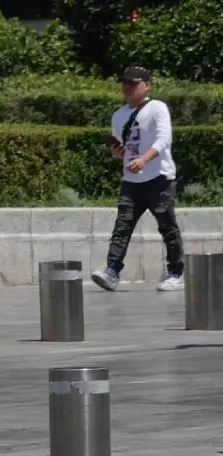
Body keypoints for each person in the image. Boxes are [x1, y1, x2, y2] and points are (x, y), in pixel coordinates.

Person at [91, 66, 184, 293]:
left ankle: (176, 272)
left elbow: (164, 140)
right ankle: (112, 270)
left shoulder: (157, 108)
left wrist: (144, 160)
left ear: (146, 85)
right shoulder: (119, 115)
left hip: (159, 177)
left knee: (167, 226)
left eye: (133, 84)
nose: (128, 88)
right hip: (131, 181)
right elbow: (121, 148)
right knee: (122, 226)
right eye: (125, 83)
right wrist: (117, 153)